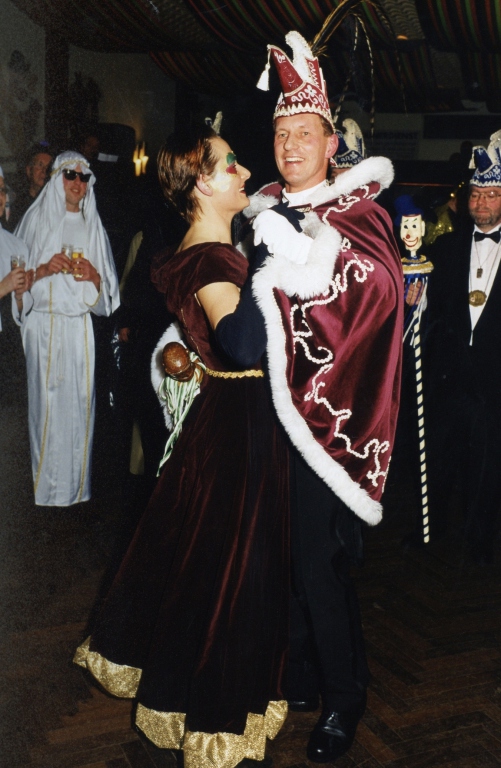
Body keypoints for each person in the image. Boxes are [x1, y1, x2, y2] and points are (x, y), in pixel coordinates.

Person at [74, 125, 289, 768]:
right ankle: (214, 719)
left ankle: (199, 698)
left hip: (233, 419)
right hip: (237, 425)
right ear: (200, 182)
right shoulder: (210, 259)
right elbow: (243, 344)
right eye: (231, 164)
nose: (244, 172)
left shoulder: (211, 250)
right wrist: (271, 261)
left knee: (212, 567)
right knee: (228, 573)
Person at [245, 31, 403, 764]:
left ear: (331, 142)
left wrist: (301, 260)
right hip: (263, 415)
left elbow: (377, 291)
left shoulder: (357, 211)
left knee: (318, 561)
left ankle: (346, 695)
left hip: (327, 420)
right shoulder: (260, 210)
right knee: (279, 554)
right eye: (281, 134)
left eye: (303, 133)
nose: (289, 146)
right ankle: (302, 670)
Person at [14, 150, 119, 507]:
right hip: (43, 326)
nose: (77, 183)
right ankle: (44, 493)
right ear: (57, 179)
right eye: (69, 175)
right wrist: (43, 270)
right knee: (46, 408)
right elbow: (14, 284)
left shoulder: (93, 226)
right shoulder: (35, 220)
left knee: (78, 407)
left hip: (78, 330)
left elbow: (108, 298)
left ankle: (75, 491)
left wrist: (94, 276)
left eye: (83, 177)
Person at [418, 130, 501, 565]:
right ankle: (428, 532)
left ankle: (480, 540)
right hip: (448, 374)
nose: (481, 203)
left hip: (494, 379)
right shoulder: (445, 248)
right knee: (438, 456)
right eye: (476, 194)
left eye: (492, 194)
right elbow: (428, 310)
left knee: (487, 464)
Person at [0, 165, 29, 324]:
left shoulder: (17, 246)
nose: (0, 196)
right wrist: (3, 288)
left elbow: (20, 312)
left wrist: (19, 295)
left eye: (2, 190)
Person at [7, 143, 55, 231]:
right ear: (29, 170)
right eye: (40, 165)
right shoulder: (17, 205)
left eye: (48, 168)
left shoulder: (55, 204)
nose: (44, 171)